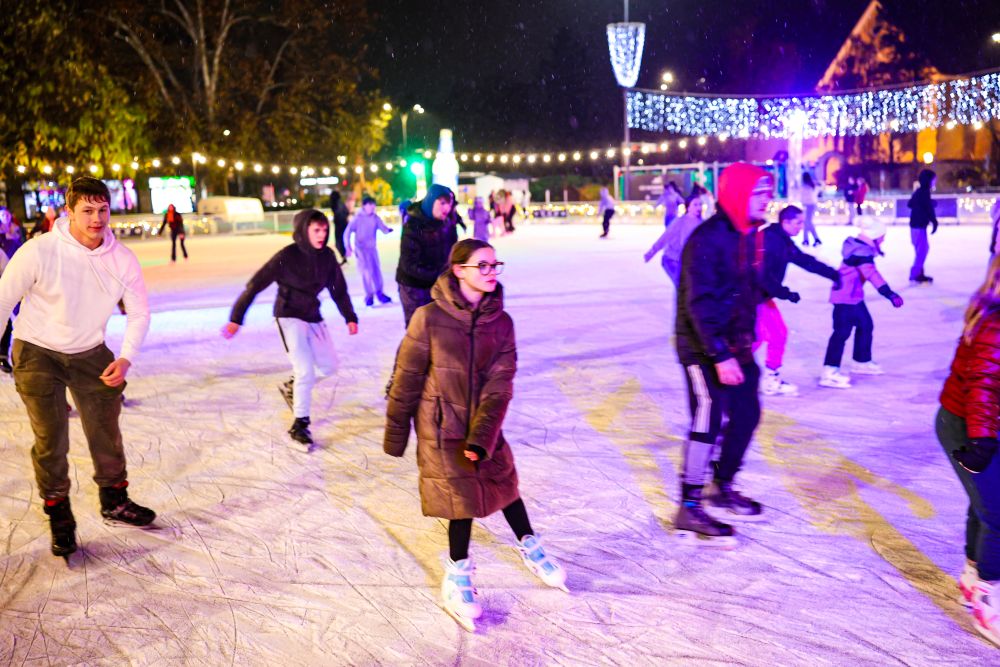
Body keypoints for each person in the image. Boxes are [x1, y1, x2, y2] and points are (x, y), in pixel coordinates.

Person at [384, 238, 567, 631]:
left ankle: (529, 544)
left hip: (482, 421)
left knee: (503, 481)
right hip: (440, 424)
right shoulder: (428, 318)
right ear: (458, 270)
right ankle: (457, 573)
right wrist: (396, 432)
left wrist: (483, 435)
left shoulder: (501, 323)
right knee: (461, 498)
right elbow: (407, 377)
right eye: (482, 265)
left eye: (494, 265)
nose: (490, 272)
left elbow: (501, 384)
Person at [0, 177, 155, 558]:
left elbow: (139, 312)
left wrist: (126, 357)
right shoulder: (39, 251)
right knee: (51, 438)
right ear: (69, 211)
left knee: (105, 429)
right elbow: (3, 299)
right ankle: (59, 514)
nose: (96, 218)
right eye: (87, 210)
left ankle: (114, 499)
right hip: (37, 351)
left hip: (90, 351)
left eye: (102, 210)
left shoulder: (121, 259)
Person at [674, 162, 773, 546]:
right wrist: (718, 354)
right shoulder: (707, 239)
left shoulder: (747, 235)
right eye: (759, 193)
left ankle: (722, 484)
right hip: (702, 346)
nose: (767, 200)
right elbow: (698, 303)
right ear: (738, 194)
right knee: (709, 415)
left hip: (736, 343)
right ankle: (689, 504)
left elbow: (743, 290)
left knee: (747, 413)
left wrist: (752, 329)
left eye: (768, 193)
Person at [223, 209, 358, 448]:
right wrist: (236, 318)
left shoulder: (327, 256)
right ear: (304, 230)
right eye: (316, 230)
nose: (322, 235)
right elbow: (255, 285)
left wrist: (349, 316)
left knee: (329, 367)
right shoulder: (287, 256)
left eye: (324, 230)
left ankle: (293, 386)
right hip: (288, 316)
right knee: (305, 370)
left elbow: (339, 290)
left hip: (313, 316)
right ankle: (300, 425)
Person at [937, 254, 1000, 646]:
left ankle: (972, 577)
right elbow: (983, 386)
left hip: (984, 423)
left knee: (986, 504)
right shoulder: (996, 324)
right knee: (998, 513)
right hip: (968, 425)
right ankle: (989, 602)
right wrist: (981, 441)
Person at [755, 205, 841, 397]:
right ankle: (769, 379)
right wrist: (785, 293)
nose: (801, 227)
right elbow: (762, 275)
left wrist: (832, 273)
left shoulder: (781, 240)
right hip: (754, 296)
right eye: (798, 223)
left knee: (757, 337)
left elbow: (804, 260)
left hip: (760, 295)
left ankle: (734, 372)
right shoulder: (772, 241)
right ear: (785, 222)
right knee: (776, 333)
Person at [819, 216, 904, 389]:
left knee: (865, 325)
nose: (883, 239)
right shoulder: (862, 253)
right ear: (874, 236)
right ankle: (829, 372)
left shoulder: (859, 248)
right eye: (882, 236)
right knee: (841, 332)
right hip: (845, 297)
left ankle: (861, 361)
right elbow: (872, 274)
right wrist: (889, 293)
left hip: (853, 296)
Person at [396, 184, 458, 327]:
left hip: (437, 284)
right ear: (431, 201)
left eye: (449, 204)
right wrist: (438, 275)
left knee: (439, 328)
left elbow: (454, 252)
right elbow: (409, 264)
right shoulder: (413, 225)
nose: (447, 208)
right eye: (442, 203)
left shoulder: (447, 224)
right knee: (418, 328)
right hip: (413, 288)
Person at [643, 191, 705, 285]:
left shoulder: (703, 224)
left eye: (700, 204)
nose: (699, 207)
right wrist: (651, 252)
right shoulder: (680, 221)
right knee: (683, 285)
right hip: (672, 260)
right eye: (695, 205)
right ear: (688, 207)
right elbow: (666, 237)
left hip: (689, 262)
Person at [343, 196, 394, 307]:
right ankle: (369, 296)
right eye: (370, 204)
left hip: (372, 249)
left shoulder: (375, 218)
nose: (372, 207)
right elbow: (347, 232)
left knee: (376, 271)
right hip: (361, 250)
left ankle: (380, 293)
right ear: (364, 206)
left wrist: (387, 230)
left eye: (373, 204)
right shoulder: (357, 218)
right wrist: (348, 246)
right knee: (366, 273)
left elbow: (382, 227)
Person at [907, 169, 938, 285]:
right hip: (918, 226)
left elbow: (911, 203)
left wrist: (929, 203)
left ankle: (919, 272)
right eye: (934, 180)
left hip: (916, 225)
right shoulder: (923, 192)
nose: (935, 182)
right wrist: (934, 221)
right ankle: (915, 274)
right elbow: (927, 209)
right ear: (928, 180)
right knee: (922, 250)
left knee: (922, 250)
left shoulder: (920, 192)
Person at [800, 172, 821, 246]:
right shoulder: (812, 185)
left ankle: (815, 238)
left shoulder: (806, 186)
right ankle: (806, 239)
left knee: (808, 222)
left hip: (809, 205)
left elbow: (804, 196)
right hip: (810, 204)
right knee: (806, 222)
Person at [328, 190, 350, 264]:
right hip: (342, 225)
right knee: (340, 242)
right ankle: (344, 257)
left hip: (340, 225)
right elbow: (346, 212)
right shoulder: (339, 203)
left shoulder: (337, 204)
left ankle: (344, 257)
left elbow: (342, 214)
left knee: (339, 242)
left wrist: (337, 219)